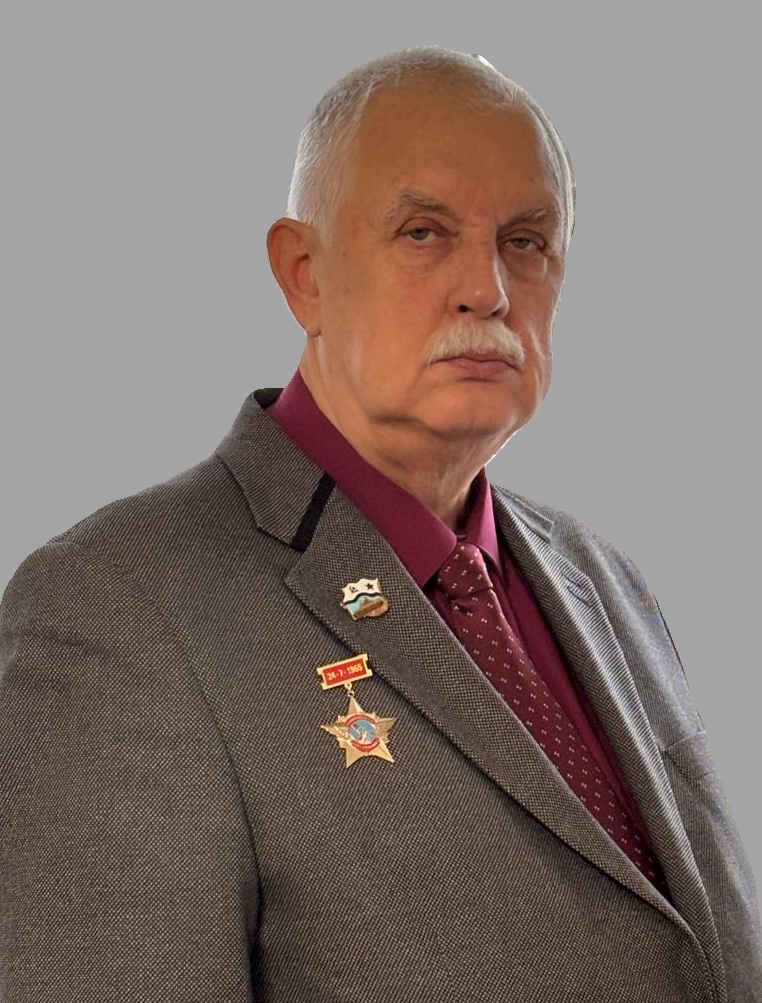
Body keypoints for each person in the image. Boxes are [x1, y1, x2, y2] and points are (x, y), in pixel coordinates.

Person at [1, 45, 760, 1003]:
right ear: (304, 274)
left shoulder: (606, 576)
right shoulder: (120, 610)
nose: (487, 288)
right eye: (423, 232)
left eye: (526, 241)